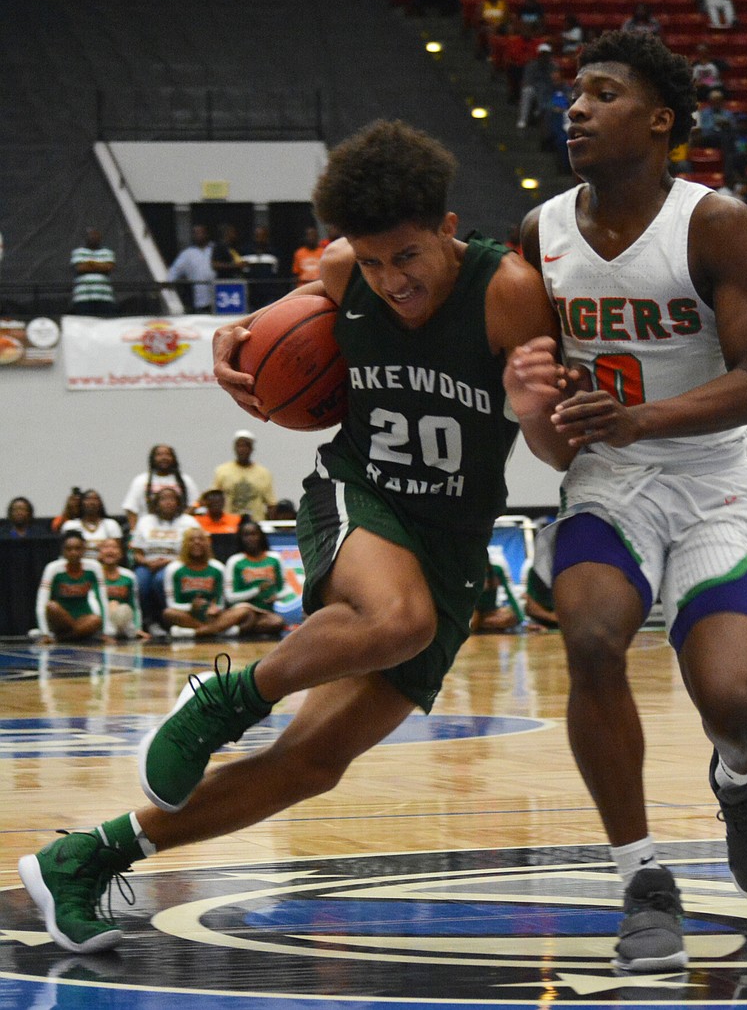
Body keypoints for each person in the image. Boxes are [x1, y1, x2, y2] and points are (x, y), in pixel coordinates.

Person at [16, 116, 558, 955]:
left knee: (311, 764)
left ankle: (84, 858)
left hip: (452, 537)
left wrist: (533, 406)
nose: (389, 280)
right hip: (359, 491)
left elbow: (555, 444)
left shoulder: (508, 290)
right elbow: (262, 335)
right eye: (371, 261)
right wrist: (233, 345)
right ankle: (225, 699)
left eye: (405, 257)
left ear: (448, 230)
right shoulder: (345, 271)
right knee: (397, 619)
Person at [503, 30, 747, 973]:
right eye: (571, 95)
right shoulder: (538, 235)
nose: (574, 109)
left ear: (660, 118)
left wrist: (642, 416)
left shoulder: (716, 224)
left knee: (735, 701)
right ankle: (642, 878)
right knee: (588, 638)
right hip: (608, 484)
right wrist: (539, 407)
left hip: (708, 483)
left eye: (601, 92)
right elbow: (550, 434)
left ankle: (741, 779)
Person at [161, 527, 264, 638]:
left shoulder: (217, 567)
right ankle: (219, 631)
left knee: (245, 611)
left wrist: (214, 609)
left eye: (201, 539)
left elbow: (221, 602)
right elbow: (171, 604)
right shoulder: (173, 568)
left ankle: (194, 633)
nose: (197, 543)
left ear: (207, 543)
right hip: (187, 614)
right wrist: (191, 607)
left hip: (213, 615)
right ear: (184, 544)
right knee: (168, 613)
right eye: (191, 540)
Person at [129, 486, 201, 634]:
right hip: (148, 564)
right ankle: (149, 622)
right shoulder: (145, 521)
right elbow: (136, 552)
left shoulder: (189, 521)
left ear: (178, 502)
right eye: (163, 499)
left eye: (172, 499)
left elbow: (197, 550)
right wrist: (147, 562)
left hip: (178, 564)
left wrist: (168, 562)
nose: (168, 502)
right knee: (140, 582)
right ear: (156, 502)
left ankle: (168, 620)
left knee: (161, 580)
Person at [34, 530, 105, 643]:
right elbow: (41, 602)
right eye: (69, 549)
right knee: (52, 606)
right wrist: (44, 633)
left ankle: (60, 639)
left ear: (84, 549)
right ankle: (73, 635)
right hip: (61, 621)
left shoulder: (94, 567)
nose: (73, 552)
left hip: (84, 619)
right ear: (63, 551)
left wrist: (106, 631)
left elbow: (102, 599)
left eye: (78, 548)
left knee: (95, 619)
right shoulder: (53, 568)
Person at [224, 519, 294, 632]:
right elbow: (230, 597)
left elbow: (287, 590)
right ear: (240, 539)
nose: (250, 538)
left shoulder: (275, 558)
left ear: (261, 536)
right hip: (242, 609)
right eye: (246, 535)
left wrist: (277, 596)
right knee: (246, 613)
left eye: (254, 534)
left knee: (277, 622)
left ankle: (233, 630)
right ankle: (231, 627)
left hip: (264, 612)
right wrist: (256, 591)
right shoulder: (234, 561)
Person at [121, 444, 199, 531]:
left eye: (168, 454)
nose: (164, 457)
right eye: (159, 455)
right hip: (148, 529)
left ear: (173, 458)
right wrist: (134, 532)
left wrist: (180, 519)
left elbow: (195, 504)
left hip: (180, 529)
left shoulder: (186, 480)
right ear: (152, 459)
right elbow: (131, 508)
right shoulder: (141, 480)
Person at [212, 429, 276, 521]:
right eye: (239, 446)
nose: (242, 449)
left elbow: (271, 504)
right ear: (234, 448)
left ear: (252, 449)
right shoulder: (222, 471)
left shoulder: (263, 473)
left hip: (255, 524)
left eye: (246, 446)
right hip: (229, 524)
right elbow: (214, 499)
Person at [98, 537, 146, 640]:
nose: (110, 551)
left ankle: (126, 631)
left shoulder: (129, 576)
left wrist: (138, 628)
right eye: (106, 547)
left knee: (122, 608)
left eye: (114, 547)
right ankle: (105, 632)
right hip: (102, 620)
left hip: (123, 618)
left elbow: (135, 605)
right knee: (111, 604)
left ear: (121, 553)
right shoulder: (94, 574)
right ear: (100, 553)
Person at [69, 228, 116, 317]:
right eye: (91, 236)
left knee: (106, 323)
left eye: (96, 236)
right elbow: (80, 268)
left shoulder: (107, 252)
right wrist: (100, 265)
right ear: (86, 238)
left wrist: (90, 263)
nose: (93, 238)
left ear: (100, 238)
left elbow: (109, 267)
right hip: (83, 297)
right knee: (84, 322)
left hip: (104, 296)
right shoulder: (78, 252)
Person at [167, 224, 214, 311]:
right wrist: (168, 284)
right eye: (196, 233)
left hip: (219, 296)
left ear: (207, 234)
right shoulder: (187, 253)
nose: (198, 236)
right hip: (200, 300)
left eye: (201, 233)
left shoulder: (215, 249)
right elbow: (174, 271)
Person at [61, 488, 124, 554]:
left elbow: (116, 550)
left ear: (100, 503)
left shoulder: (111, 524)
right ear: (81, 502)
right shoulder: (70, 525)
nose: (92, 502)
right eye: (88, 499)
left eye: (95, 499)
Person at [469, 558, 522, 632]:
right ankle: (483, 625)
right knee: (474, 622)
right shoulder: (471, 571)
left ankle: (484, 625)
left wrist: (521, 618)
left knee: (511, 617)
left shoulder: (496, 570)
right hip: (475, 610)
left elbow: (509, 594)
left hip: (491, 611)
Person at [516, 43, 556, 129]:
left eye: (546, 54)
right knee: (527, 91)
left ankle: (546, 122)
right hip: (534, 88)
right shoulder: (531, 65)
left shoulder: (553, 66)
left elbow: (554, 81)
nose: (544, 56)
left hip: (548, 89)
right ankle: (523, 119)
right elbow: (527, 81)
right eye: (543, 54)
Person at [241, 225, 280, 309]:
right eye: (257, 236)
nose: (260, 239)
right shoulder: (245, 251)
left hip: (268, 292)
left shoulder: (273, 251)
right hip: (251, 293)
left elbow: (276, 271)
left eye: (262, 236)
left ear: (266, 237)